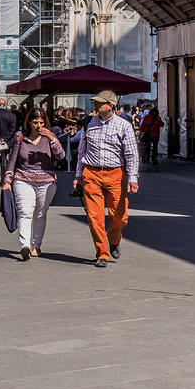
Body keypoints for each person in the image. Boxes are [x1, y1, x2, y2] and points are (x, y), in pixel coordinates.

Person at [74, 89, 139, 268]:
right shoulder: (88, 123)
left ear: (110, 106)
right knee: (95, 217)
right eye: (95, 102)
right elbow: (82, 150)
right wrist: (78, 175)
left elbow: (131, 154)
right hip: (91, 173)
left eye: (99, 102)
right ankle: (102, 253)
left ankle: (113, 239)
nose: (94, 104)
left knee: (120, 217)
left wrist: (132, 178)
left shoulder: (123, 125)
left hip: (115, 174)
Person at [1, 108, 63, 261]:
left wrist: (52, 139)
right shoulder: (20, 136)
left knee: (40, 214)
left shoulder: (49, 136)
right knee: (25, 212)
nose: (39, 125)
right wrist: (7, 181)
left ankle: (36, 246)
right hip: (23, 179)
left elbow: (60, 155)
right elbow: (13, 161)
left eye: (41, 122)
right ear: (29, 122)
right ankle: (25, 246)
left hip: (46, 181)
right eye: (35, 122)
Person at [140, 105, 163, 172]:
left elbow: (162, 125)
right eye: (152, 114)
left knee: (155, 147)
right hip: (147, 134)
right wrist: (141, 131)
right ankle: (147, 158)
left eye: (155, 114)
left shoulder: (157, 118)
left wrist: (159, 121)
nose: (153, 115)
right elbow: (143, 124)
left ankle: (154, 158)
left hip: (155, 135)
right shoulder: (147, 117)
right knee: (147, 147)